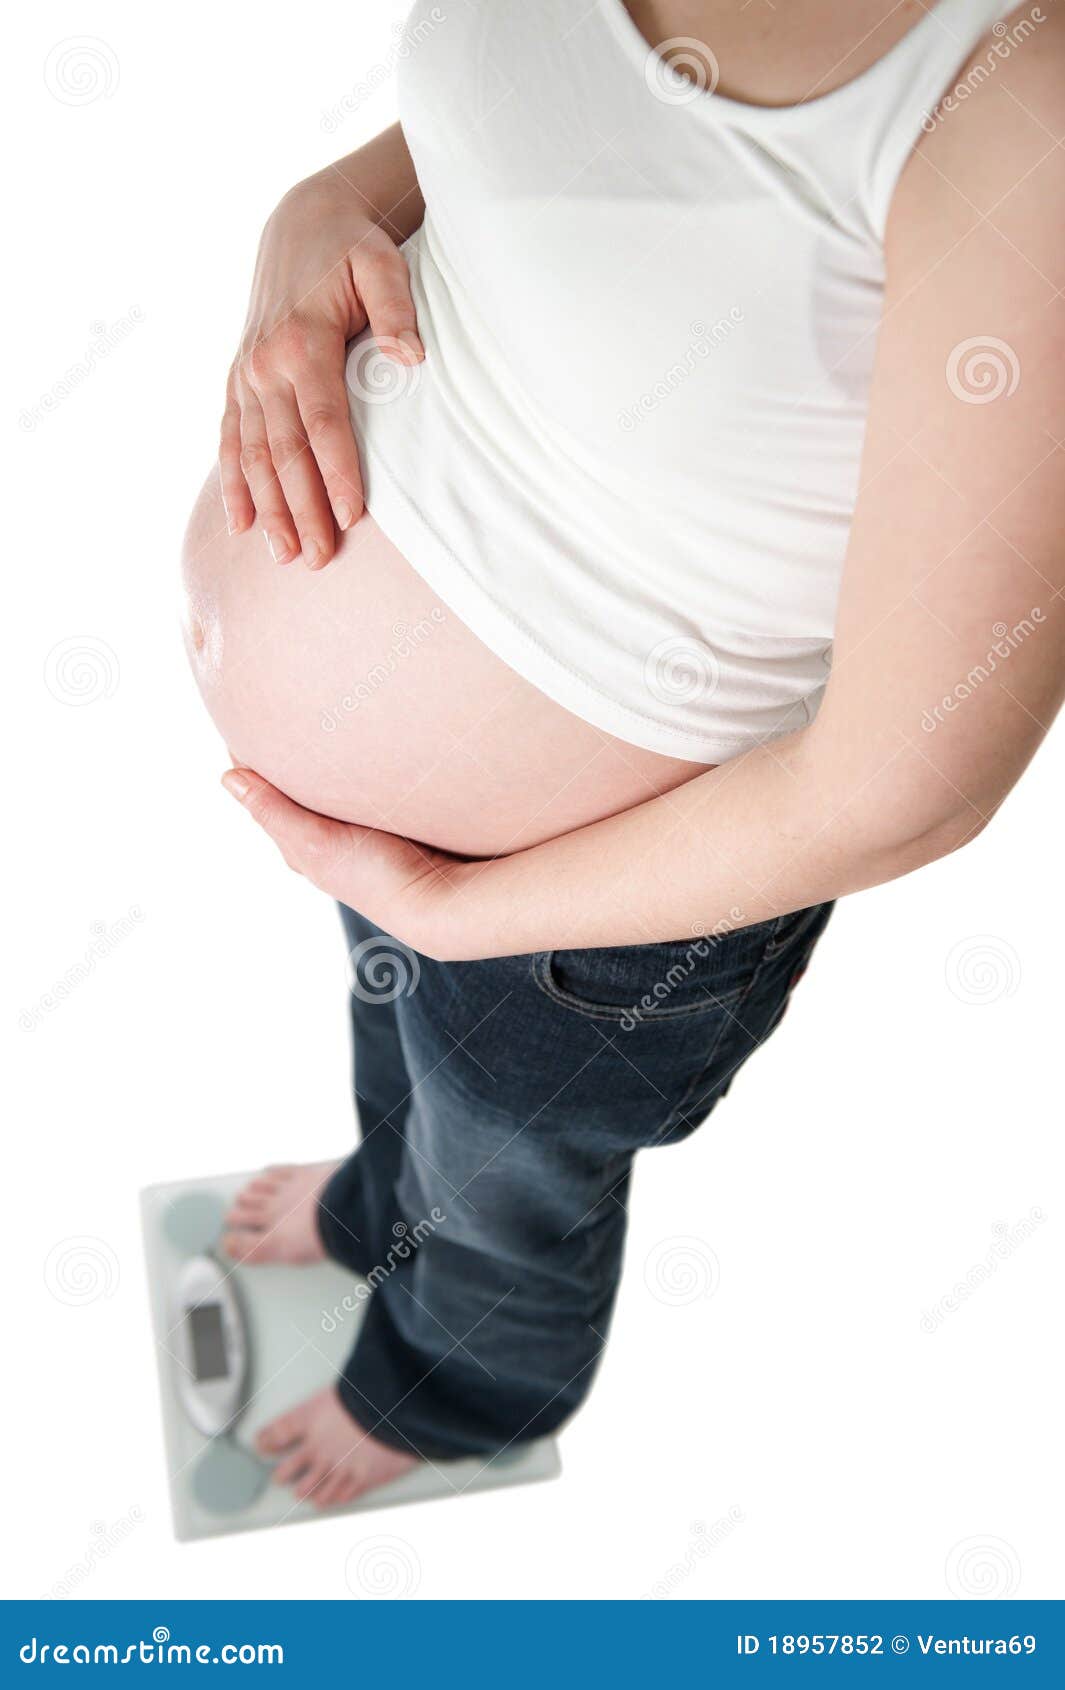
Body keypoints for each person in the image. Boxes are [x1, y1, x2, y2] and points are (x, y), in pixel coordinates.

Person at [180, 0, 1065, 1510]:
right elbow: (578, 141)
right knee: (408, 1062)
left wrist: (463, 905)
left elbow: (901, 784)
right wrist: (326, 205)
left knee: (502, 1182)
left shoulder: (1022, 105)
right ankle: (373, 1205)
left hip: (589, 911)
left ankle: (447, 1394)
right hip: (411, 849)